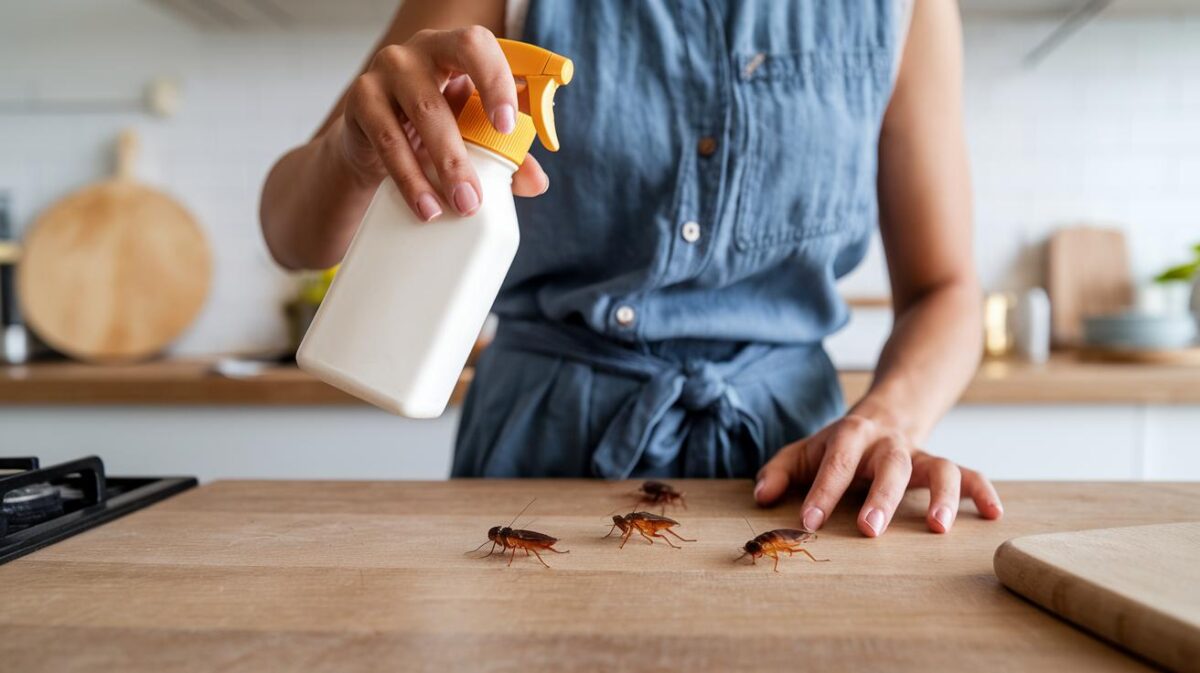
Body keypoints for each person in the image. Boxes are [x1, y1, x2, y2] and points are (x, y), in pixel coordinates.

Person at [260, 0, 1004, 538]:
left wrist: (890, 417)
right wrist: (350, 152)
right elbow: (290, 231)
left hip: (796, 469)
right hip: (541, 445)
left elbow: (946, 290)